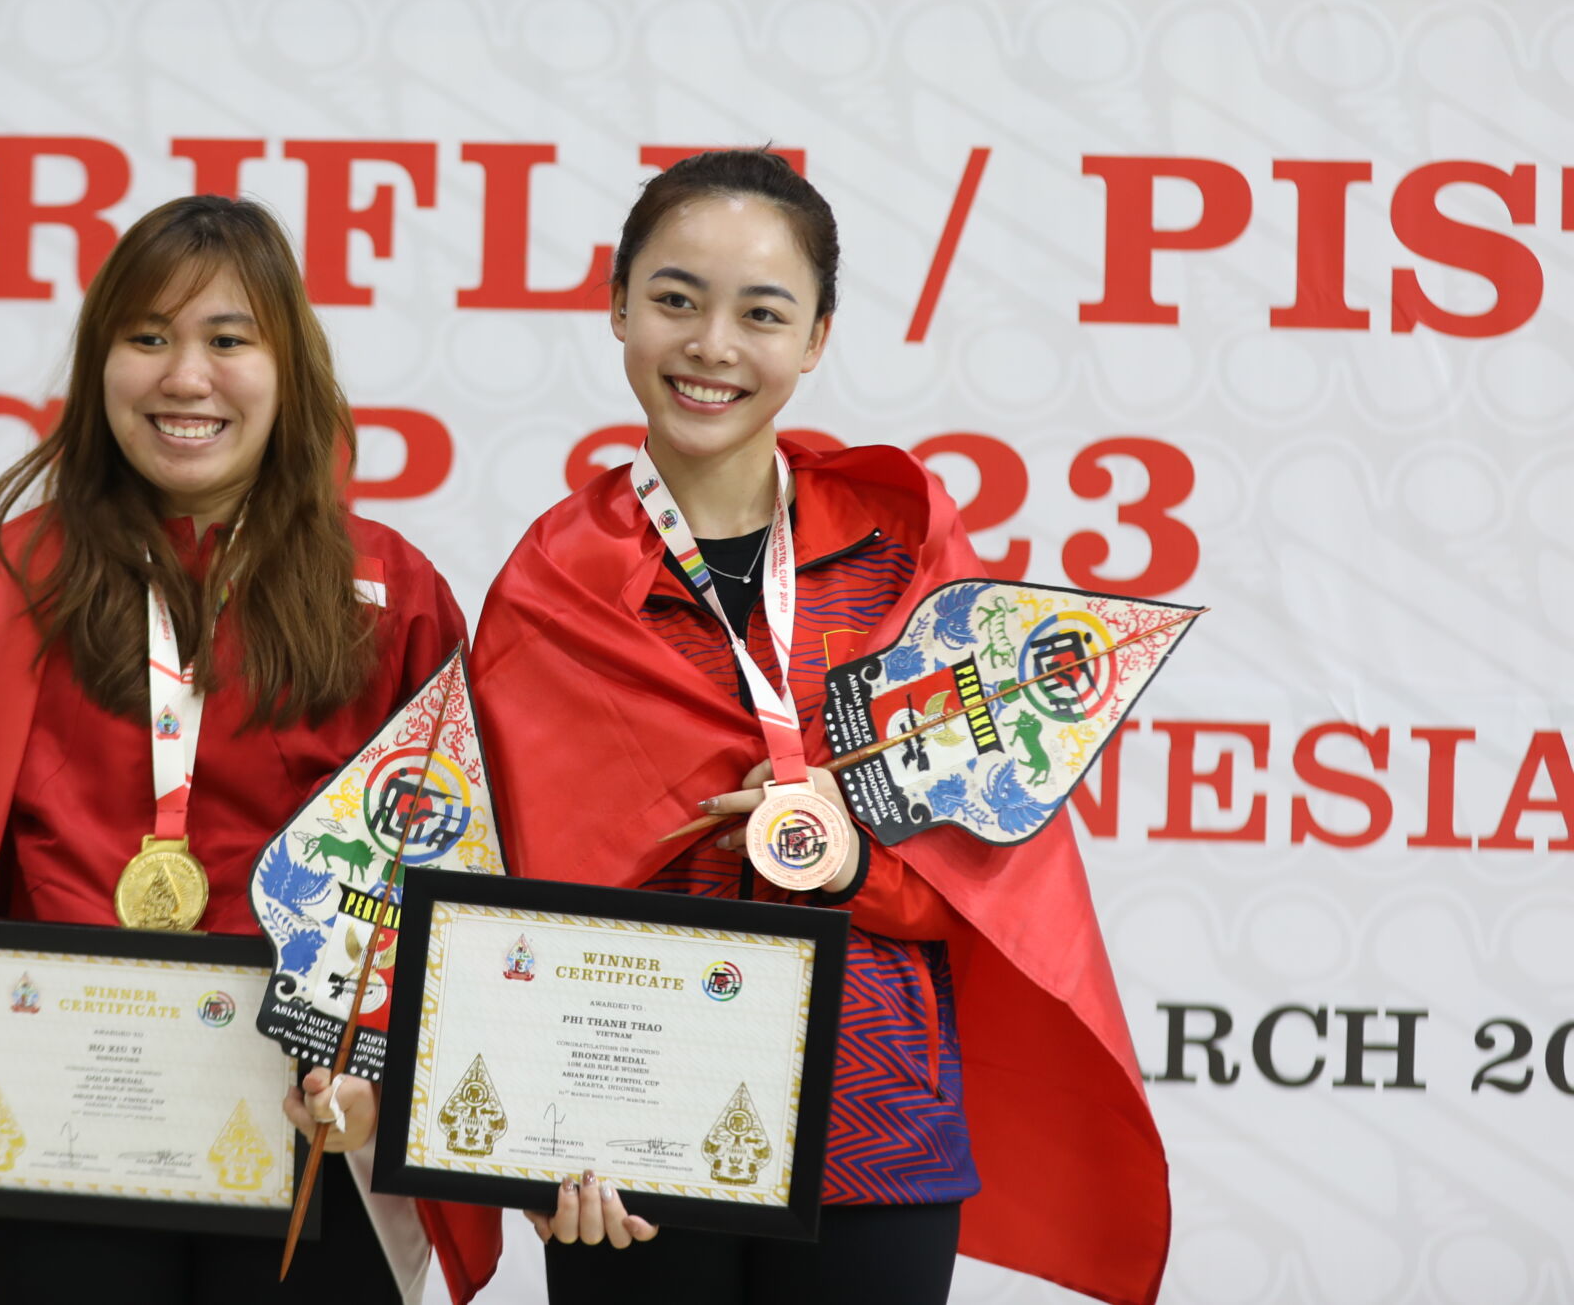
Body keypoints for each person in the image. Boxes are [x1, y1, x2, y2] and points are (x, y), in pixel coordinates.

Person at [467, 152, 1168, 1305]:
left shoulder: (903, 558)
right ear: (618, 307)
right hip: (626, 1133)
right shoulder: (553, 585)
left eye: (761, 313)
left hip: (873, 1129)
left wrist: (847, 864)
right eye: (676, 299)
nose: (712, 345)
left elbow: (985, 868)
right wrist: (527, 1136)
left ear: (816, 339)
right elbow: (498, 890)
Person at [0, 196, 486, 1304]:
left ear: (288, 366)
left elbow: (445, 878)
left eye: (228, 339)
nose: (185, 377)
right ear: (99, 362)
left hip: (303, 1110)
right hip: (65, 1108)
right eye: (147, 336)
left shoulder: (388, 591)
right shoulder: (22, 574)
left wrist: (384, 1074)